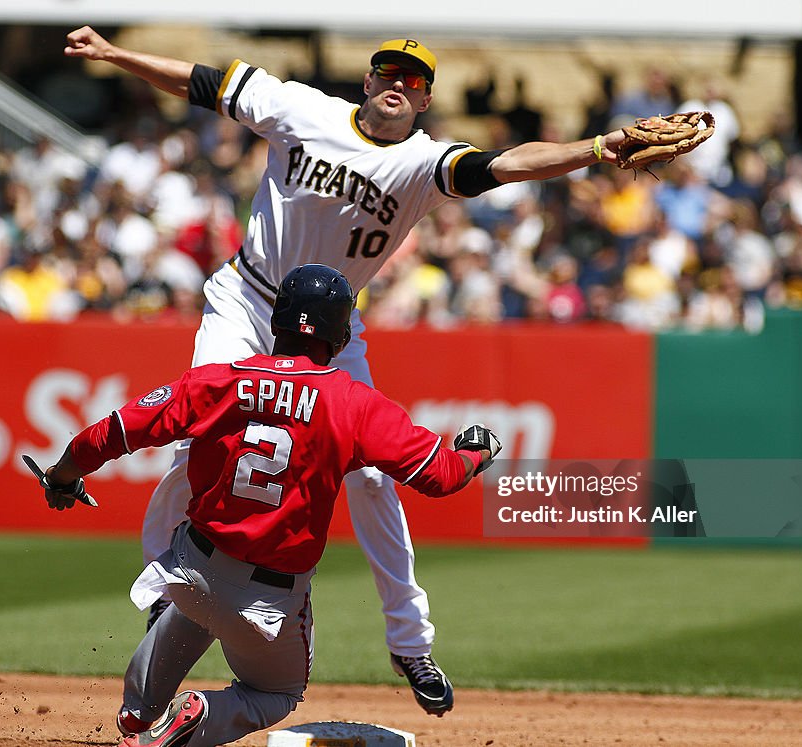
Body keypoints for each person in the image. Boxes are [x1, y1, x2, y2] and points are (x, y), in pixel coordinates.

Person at [63, 25, 629, 716]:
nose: (399, 83)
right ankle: (162, 597)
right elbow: (203, 82)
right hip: (246, 300)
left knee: (368, 473)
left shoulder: (423, 162)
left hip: (333, 327)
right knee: (196, 438)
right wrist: (115, 55)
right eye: (388, 71)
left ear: (424, 101)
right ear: (367, 81)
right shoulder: (302, 108)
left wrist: (600, 148)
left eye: (414, 80)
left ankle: (410, 642)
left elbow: (509, 164)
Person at [35, 264, 501, 747]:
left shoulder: (215, 381)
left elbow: (111, 433)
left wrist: (62, 476)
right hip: (268, 600)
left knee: (195, 604)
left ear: (276, 320)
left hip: (192, 568)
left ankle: (137, 713)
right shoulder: (355, 404)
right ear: (341, 334)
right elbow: (440, 475)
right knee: (277, 693)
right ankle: (199, 716)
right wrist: (476, 452)